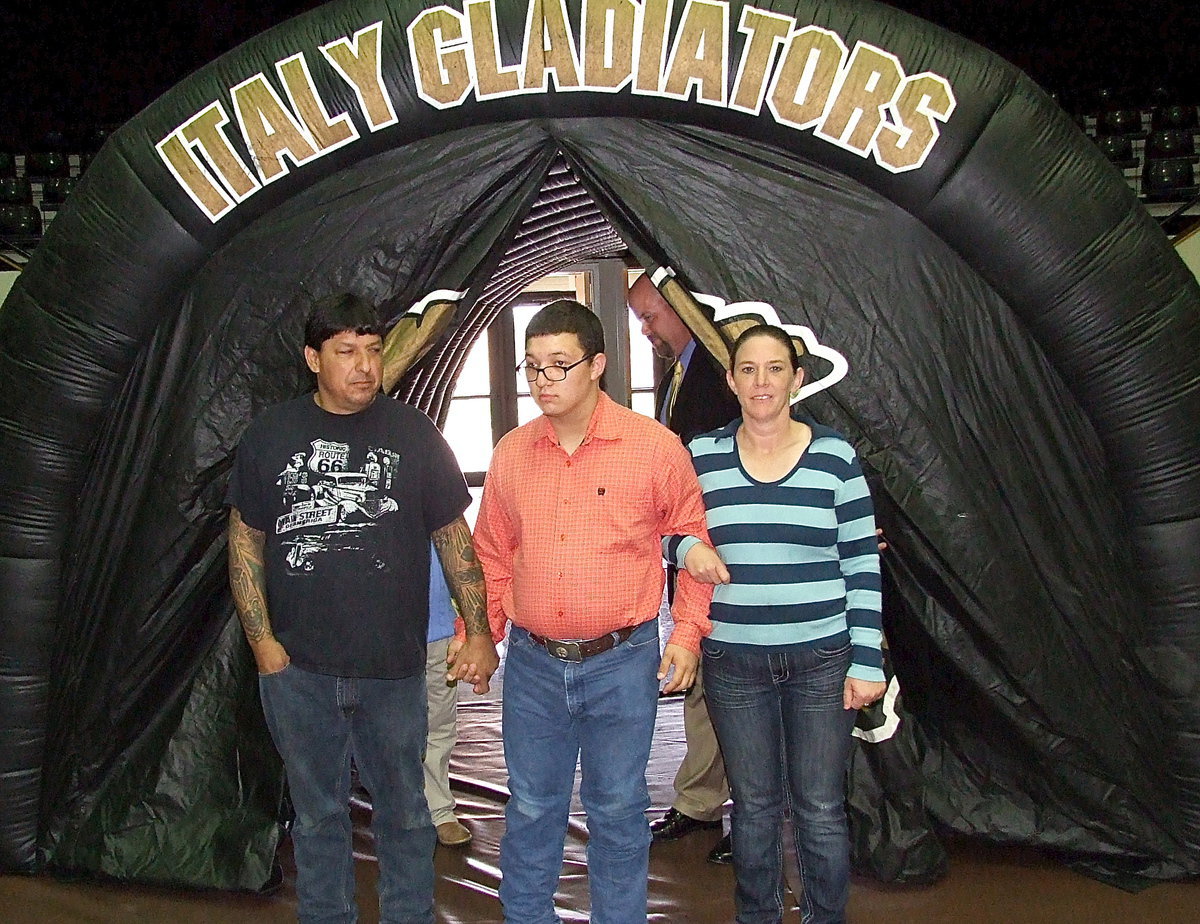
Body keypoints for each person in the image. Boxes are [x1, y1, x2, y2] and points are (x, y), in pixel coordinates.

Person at [226, 293, 499, 923]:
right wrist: (263, 643)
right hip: (299, 669)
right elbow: (246, 543)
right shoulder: (272, 435)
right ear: (312, 358)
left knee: (405, 811)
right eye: (346, 352)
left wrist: (478, 630)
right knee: (319, 815)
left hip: (393, 669)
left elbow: (454, 539)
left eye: (373, 350)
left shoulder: (413, 434)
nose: (364, 366)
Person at [470, 298, 716, 924]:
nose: (542, 382)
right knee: (530, 807)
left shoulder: (654, 449)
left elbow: (694, 543)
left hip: (621, 663)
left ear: (597, 365)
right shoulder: (513, 453)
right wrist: (483, 635)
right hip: (532, 666)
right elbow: (492, 552)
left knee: (617, 810)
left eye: (558, 365)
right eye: (533, 368)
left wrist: (686, 636)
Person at [672, 323, 885, 924]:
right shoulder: (702, 456)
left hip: (822, 659)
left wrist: (866, 660)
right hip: (735, 663)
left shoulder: (835, 458)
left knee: (819, 807)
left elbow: (862, 563)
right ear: (732, 380)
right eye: (748, 369)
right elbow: (654, 529)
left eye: (774, 369)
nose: (761, 381)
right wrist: (684, 551)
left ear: (797, 379)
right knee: (755, 807)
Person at [628, 273, 740, 863]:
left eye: (650, 317)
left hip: (725, 553)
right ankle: (700, 802)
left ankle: (748, 815)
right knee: (701, 678)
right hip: (691, 553)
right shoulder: (684, 368)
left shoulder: (720, 371)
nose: (645, 330)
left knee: (737, 683)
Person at [425, 545, 472, 848]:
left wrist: (471, 626)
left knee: (439, 723)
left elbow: (463, 549)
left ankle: (438, 809)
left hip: (436, 624)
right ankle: (394, 809)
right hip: (371, 629)